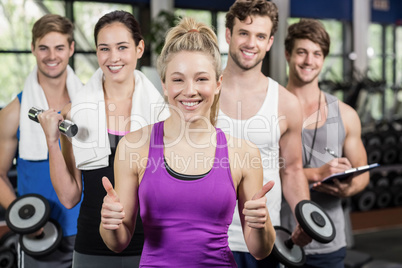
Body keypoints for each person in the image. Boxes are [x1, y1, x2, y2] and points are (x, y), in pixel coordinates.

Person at [99, 17, 276, 267]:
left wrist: (261, 222)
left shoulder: (243, 152)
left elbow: (260, 250)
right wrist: (110, 223)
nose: (190, 90)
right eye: (178, 79)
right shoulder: (133, 146)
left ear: (218, 84)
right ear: (164, 84)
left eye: (202, 79)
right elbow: (118, 242)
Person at [37, 10, 169, 268]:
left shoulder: (163, 114)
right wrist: (52, 141)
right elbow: (69, 196)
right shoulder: (74, 113)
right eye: (104, 49)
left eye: (122, 47)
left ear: (139, 48)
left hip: (153, 247)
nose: (113, 57)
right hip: (92, 247)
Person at [216, 1, 312, 267]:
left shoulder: (286, 102)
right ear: (228, 35)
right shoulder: (202, 93)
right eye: (243, 33)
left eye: (260, 36)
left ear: (269, 42)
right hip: (207, 237)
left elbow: (292, 169)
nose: (251, 43)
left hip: (263, 239)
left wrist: (303, 214)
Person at [280, 18, 370, 268]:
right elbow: (253, 171)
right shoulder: (269, 109)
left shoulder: (346, 115)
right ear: (288, 54)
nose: (309, 61)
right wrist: (316, 173)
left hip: (328, 243)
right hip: (276, 239)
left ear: (323, 58)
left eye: (317, 54)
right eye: (302, 52)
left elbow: (361, 171)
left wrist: (348, 189)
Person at [0, 14, 82, 268]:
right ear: (33, 48)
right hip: (41, 232)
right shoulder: (15, 111)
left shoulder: (90, 105)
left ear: (71, 48)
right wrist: (23, 217)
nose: (51, 56)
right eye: (44, 48)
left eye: (59, 47)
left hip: (90, 230)